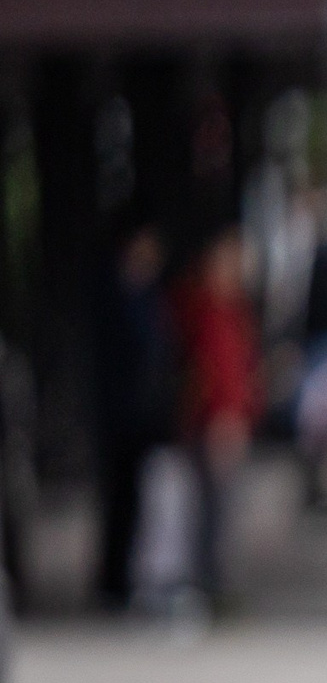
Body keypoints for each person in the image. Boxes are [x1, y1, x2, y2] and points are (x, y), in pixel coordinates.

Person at [169, 227, 261, 606]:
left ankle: (214, 583)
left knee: (220, 509)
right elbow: (213, 372)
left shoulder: (230, 309)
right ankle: (207, 585)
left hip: (228, 419)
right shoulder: (206, 311)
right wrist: (223, 418)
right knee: (211, 510)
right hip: (217, 423)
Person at [94, 223, 177, 607]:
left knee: (140, 501)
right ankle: (114, 581)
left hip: (144, 414)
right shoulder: (115, 295)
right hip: (120, 415)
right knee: (120, 500)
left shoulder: (149, 295)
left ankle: (130, 577)